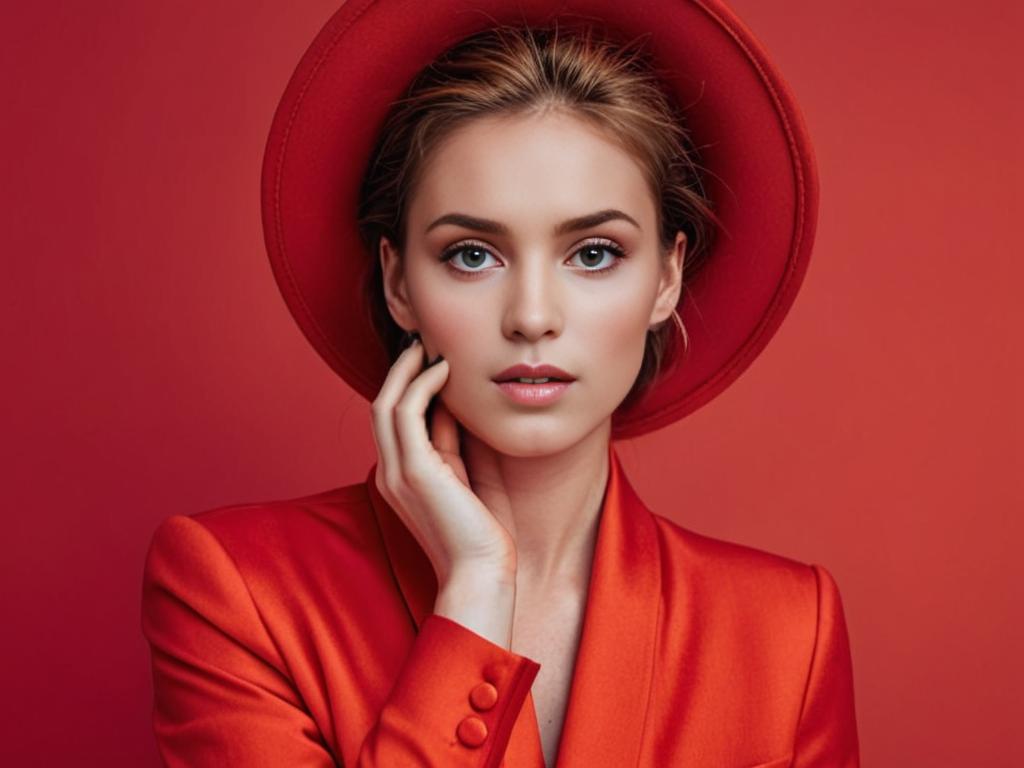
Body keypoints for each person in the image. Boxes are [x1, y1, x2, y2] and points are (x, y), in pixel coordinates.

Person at [141, 2, 859, 767]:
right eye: (473, 254)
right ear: (398, 284)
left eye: (593, 253)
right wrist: (477, 593)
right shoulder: (237, 591)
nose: (532, 317)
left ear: (667, 277)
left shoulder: (785, 632)